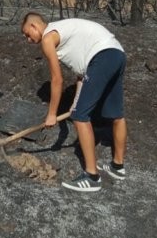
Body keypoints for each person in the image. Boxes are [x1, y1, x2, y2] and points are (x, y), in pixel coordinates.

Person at [21, 12, 127, 192]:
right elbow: (82, 75)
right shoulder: (64, 32)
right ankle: (118, 167)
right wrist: (76, 103)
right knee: (116, 115)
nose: (28, 40)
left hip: (101, 57)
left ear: (34, 26)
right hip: (116, 54)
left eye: (27, 34)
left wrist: (52, 114)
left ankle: (92, 177)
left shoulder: (48, 38)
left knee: (80, 117)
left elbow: (57, 80)